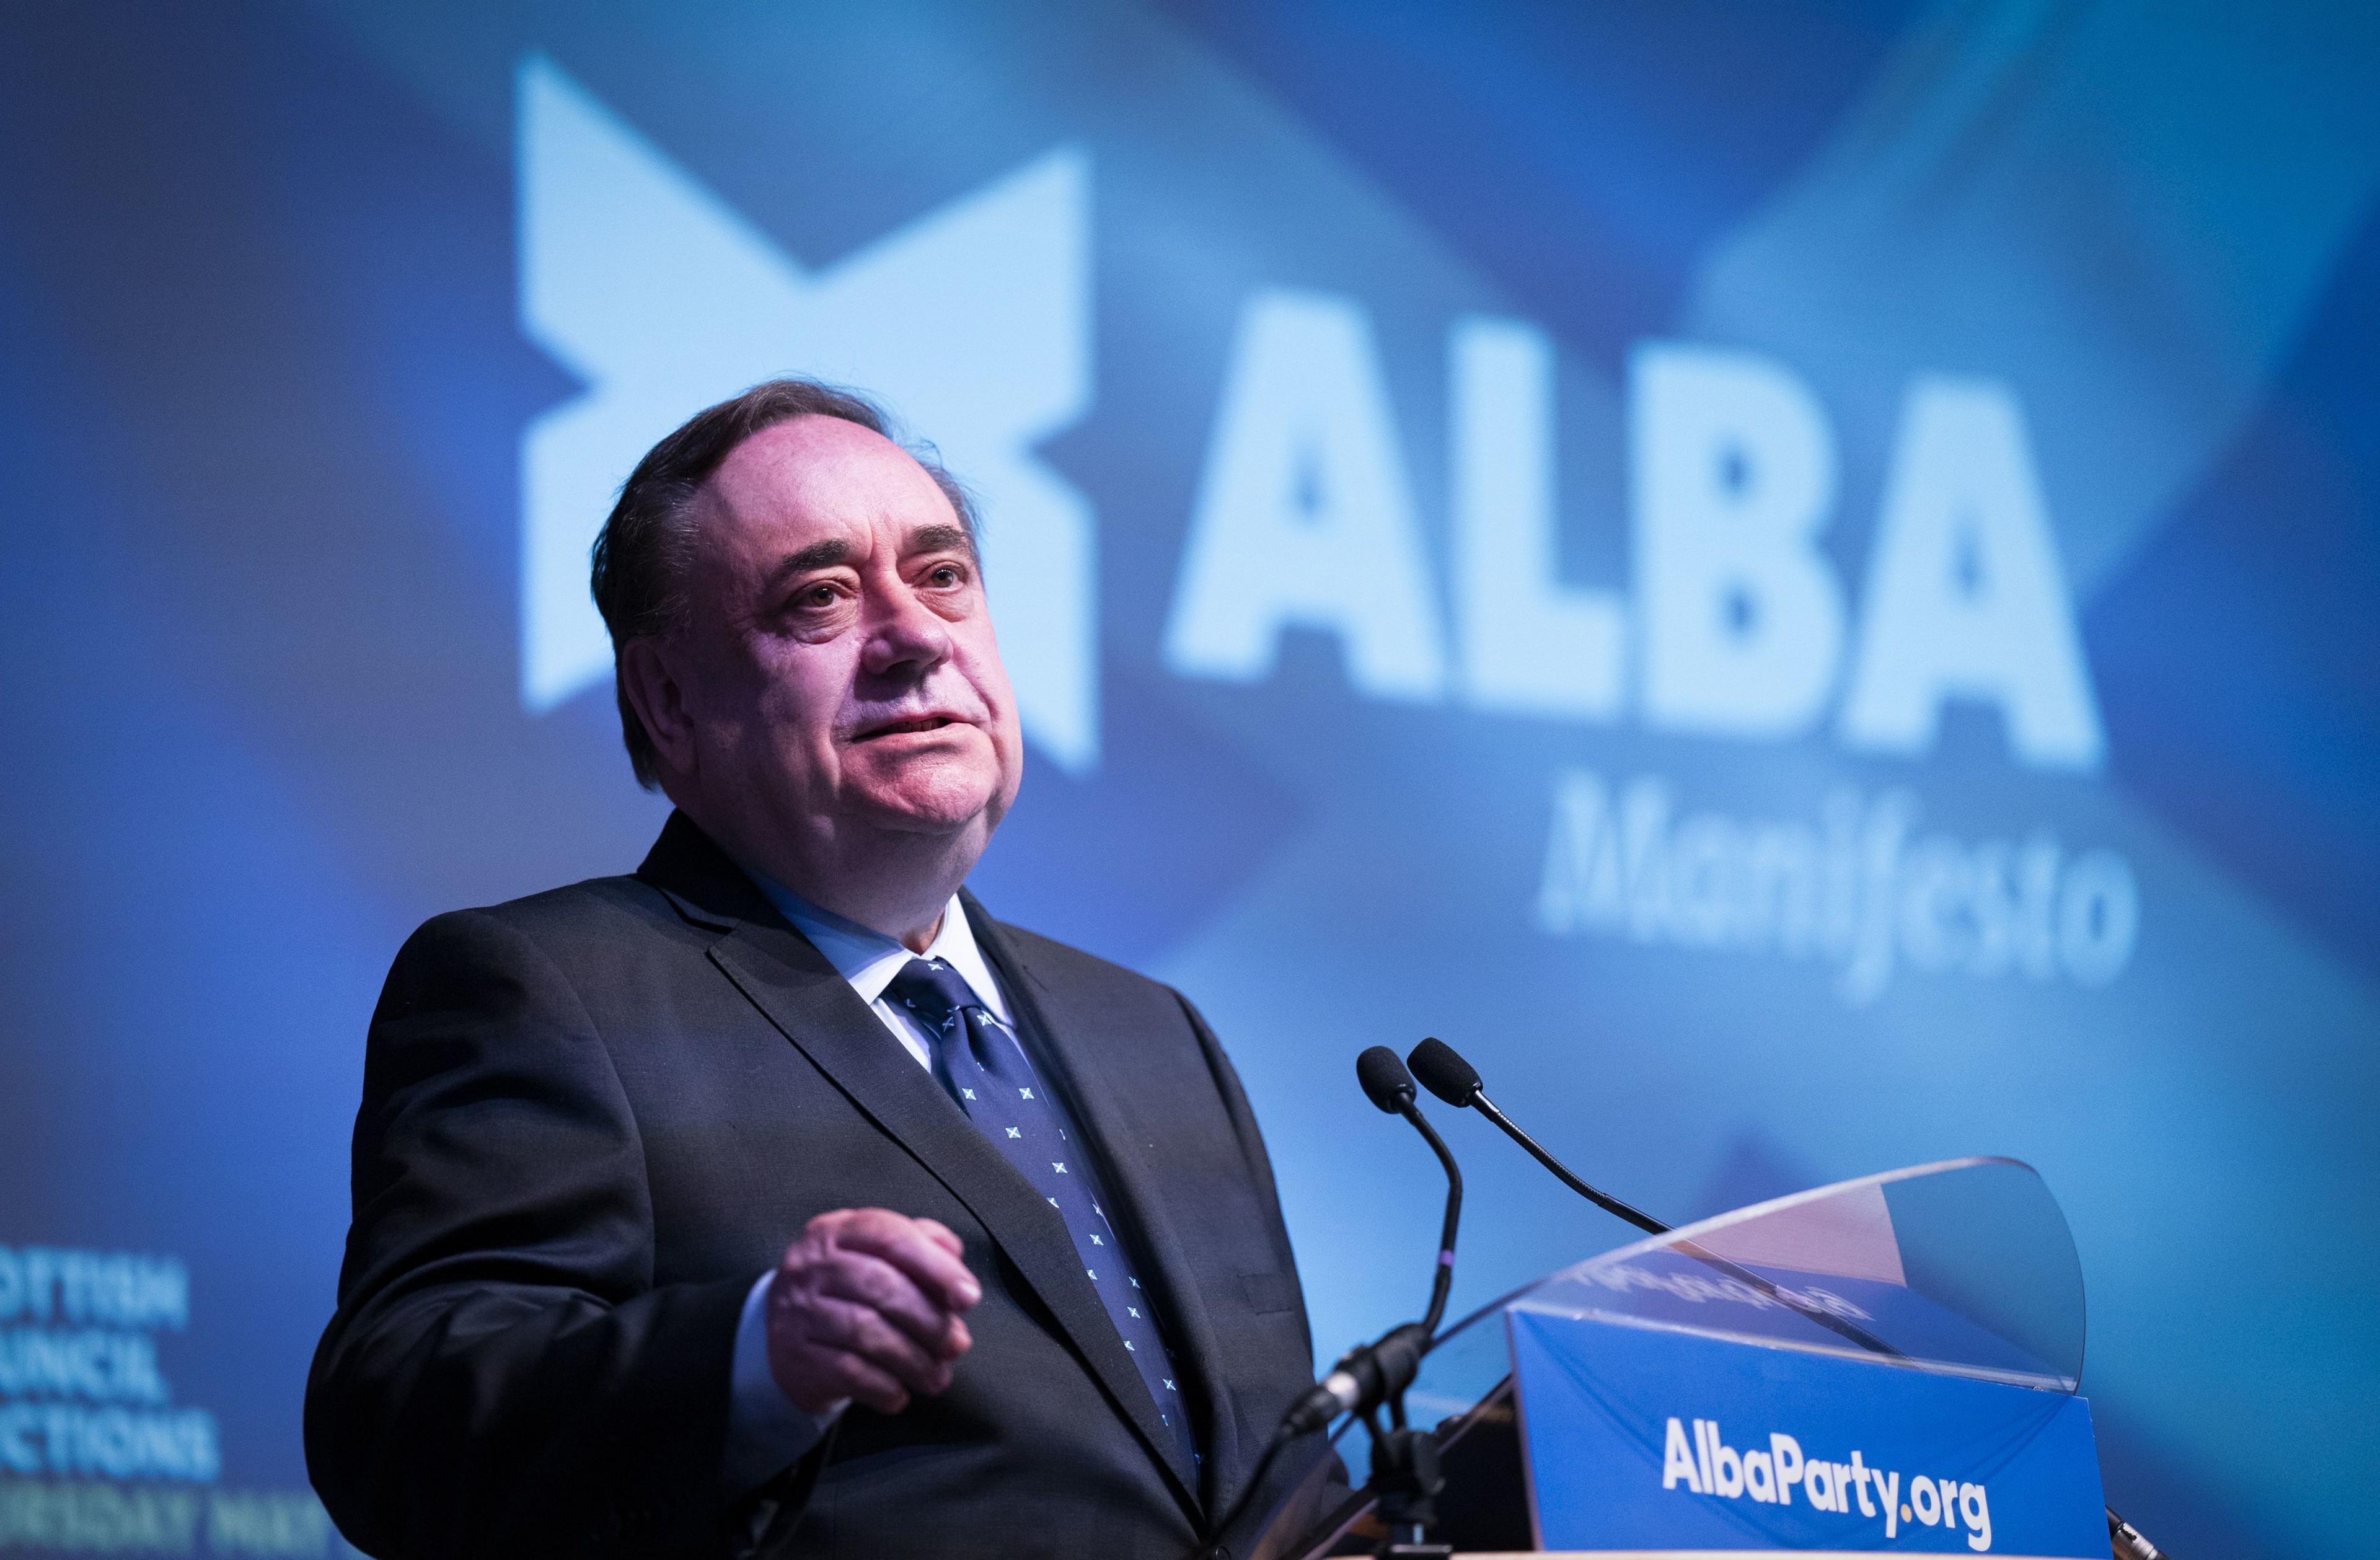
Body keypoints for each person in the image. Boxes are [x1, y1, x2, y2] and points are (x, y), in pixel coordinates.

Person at [304, 381, 1336, 1558]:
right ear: (670, 699)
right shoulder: (552, 991)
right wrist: (753, 1358)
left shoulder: (1157, 1038)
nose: (915, 636)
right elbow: (396, 1420)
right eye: (822, 597)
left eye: (943, 575)